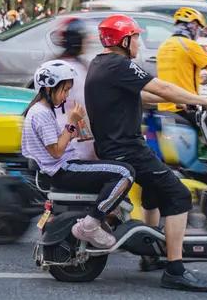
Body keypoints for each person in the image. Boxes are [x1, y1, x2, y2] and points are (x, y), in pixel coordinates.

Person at [84, 14, 207, 292]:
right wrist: (203, 100)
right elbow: (159, 86)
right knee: (179, 195)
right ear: (124, 40)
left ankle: (150, 255)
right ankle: (175, 269)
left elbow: (144, 95)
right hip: (127, 150)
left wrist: (181, 101)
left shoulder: (101, 64)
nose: (139, 42)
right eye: (136, 37)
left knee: (156, 190)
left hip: (116, 147)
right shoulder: (119, 65)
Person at [22, 60, 133, 249]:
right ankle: (91, 224)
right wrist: (71, 122)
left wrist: (72, 130)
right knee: (125, 173)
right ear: (48, 88)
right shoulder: (41, 113)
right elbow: (56, 152)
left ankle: (108, 218)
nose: (66, 96)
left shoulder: (41, 111)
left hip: (61, 168)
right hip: (64, 169)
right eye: (64, 90)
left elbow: (60, 143)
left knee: (115, 172)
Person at [53, 17, 95, 160]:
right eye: (85, 38)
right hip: (71, 143)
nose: (88, 41)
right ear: (76, 41)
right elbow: (84, 106)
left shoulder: (58, 63)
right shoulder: (73, 69)